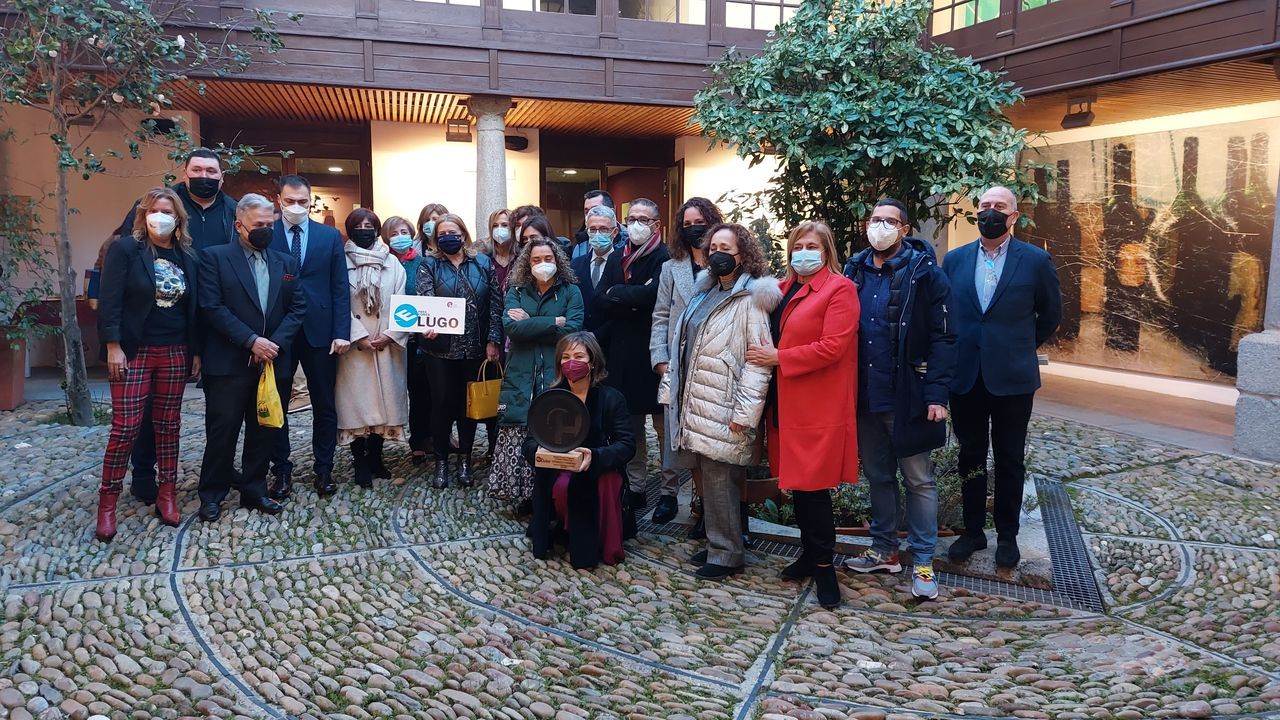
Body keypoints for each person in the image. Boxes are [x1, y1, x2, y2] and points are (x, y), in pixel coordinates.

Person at [841, 199, 956, 601]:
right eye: (875, 219)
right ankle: (884, 549)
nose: (881, 226)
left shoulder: (926, 274)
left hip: (908, 396)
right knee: (878, 476)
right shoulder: (852, 270)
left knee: (919, 480)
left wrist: (937, 393)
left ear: (904, 229)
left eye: (890, 221)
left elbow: (944, 336)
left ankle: (923, 561)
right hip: (866, 396)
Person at [942, 186, 1062, 569]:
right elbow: (947, 314)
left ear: (1013, 215)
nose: (991, 212)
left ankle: (1007, 536)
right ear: (976, 213)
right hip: (967, 376)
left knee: (1010, 458)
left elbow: (1051, 314)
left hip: (1012, 377)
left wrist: (1018, 346)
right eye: (985, 206)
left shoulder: (1036, 260)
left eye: (1000, 207)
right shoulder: (955, 260)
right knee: (970, 455)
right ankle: (973, 530)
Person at [112, 148, 237, 506]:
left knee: (223, 404)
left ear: (221, 176)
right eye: (197, 169)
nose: (205, 176)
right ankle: (145, 474)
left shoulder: (233, 211)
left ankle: (221, 468)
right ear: (185, 174)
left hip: (220, 321)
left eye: (211, 171)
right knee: (151, 408)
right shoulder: (161, 205)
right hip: (163, 325)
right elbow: (126, 253)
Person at [746, 221, 857, 609]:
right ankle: (810, 554)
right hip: (785, 402)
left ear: (827, 251)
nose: (804, 251)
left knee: (815, 488)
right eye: (798, 245)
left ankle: (824, 566)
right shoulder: (780, 288)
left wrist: (779, 358)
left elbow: (833, 346)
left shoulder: (840, 289)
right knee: (797, 485)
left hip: (816, 405)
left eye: (812, 245)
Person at [659, 223, 780, 580]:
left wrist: (745, 414)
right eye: (713, 247)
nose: (718, 253)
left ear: (744, 254)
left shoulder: (750, 300)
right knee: (708, 480)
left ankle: (728, 554)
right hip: (698, 400)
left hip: (725, 405)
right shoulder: (704, 291)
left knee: (721, 481)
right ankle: (716, 544)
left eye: (726, 246)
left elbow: (757, 364)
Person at [95, 187, 203, 541]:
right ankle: (107, 503)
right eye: (155, 209)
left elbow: (194, 308)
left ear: (178, 219)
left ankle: (166, 494)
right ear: (144, 214)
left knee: (168, 425)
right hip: (133, 351)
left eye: (168, 211)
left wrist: (196, 351)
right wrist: (113, 346)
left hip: (174, 350)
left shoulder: (187, 255)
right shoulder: (126, 249)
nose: (162, 216)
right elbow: (109, 300)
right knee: (125, 427)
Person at [196, 194, 305, 522]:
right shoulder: (213, 258)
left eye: (270, 224)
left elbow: (297, 307)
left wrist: (272, 344)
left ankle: (254, 488)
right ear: (239, 225)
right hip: (229, 362)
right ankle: (212, 493)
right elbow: (211, 307)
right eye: (259, 225)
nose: (266, 230)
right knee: (223, 430)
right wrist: (250, 341)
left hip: (272, 362)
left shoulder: (284, 262)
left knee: (264, 430)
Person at [267, 175, 351, 499]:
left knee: (324, 403)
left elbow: (340, 286)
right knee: (277, 403)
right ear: (279, 200)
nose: (297, 207)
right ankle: (281, 471)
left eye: (303, 201)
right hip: (279, 332)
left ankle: (324, 469)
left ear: (311, 200)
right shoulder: (268, 233)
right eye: (290, 201)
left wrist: (341, 332)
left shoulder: (329, 236)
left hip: (321, 330)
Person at [523, 332, 636, 569]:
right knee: (558, 484)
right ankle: (558, 529)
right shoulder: (549, 399)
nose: (571, 363)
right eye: (565, 357)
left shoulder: (611, 399)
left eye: (578, 356)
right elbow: (529, 442)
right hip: (557, 467)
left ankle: (590, 539)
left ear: (592, 361)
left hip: (597, 468)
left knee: (589, 484)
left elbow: (626, 445)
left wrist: (595, 456)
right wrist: (541, 452)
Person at [491, 234, 585, 507]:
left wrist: (531, 322)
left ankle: (553, 497)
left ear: (557, 260)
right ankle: (524, 495)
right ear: (527, 263)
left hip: (555, 372)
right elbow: (512, 329)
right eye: (536, 259)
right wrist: (552, 321)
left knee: (553, 430)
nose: (542, 263)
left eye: (547, 258)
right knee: (519, 427)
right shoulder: (517, 290)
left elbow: (572, 330)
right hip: (521, 372)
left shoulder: (571, 291)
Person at [649, 196, 723, 528]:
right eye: (688, 224)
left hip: (715, 365)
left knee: (711, 440)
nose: (694, 229)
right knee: (678, 436)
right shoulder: (671, 267)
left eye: (700, 222)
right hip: (677, 365)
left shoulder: (726, 262)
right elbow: (660, 316)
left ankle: (710, 507)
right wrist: (660, 360)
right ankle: (681, 496)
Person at [416, 213, 503, 488]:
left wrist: (492, 340)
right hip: (440, 350)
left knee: (470, 405)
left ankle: (465, 458)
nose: (447, 237)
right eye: (442, 234)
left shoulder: (482, 263)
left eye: (452, 232)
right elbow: (425, 299)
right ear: (435, 238)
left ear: (463, 235)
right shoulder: (428, 265)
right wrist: (427, 323)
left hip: (475, 348)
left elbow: (495, 304)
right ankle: (441, 461)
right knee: (441, 404)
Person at [597, 197, 671, 518]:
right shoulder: (618, 256)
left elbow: (653, 297)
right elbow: (602, 296)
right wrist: (629, 296)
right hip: (623, 354)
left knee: (664, 428)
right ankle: (637, 487)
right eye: (632, 218)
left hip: (655, 354)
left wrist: (621, 294)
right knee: (631, 426)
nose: (637, 224)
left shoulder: (665, 258)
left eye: (645, 219)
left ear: (657, 224)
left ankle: (669, 490)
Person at [336, 209, 408, 489]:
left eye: (370, 225)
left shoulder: (393, 263)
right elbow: (338, 300)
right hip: (357, 348)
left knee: (385, 405)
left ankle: (377, 458)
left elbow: (403, 301)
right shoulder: (340, 263)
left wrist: (391, 334)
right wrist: (358, 335)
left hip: (386, 345)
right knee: (358, 405)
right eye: (359, 225)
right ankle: (360, 463)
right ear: (350, 229)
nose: (364, 229)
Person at [384, 215, 431, 464]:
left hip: (418, 340)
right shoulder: (384, 262)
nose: (399, 237)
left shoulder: (423, 263)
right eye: (393, 233)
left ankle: (422, 439)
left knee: (421, 391)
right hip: (387, 339)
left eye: (404, 231)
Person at [571, 205, 622, 341]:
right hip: (580, 342)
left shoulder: (624, 264)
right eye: (592, 229)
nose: (597, 234)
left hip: (614, 341)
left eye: (604, 229)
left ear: (615, 232)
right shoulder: (575, 265)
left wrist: (598, 335)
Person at [571, 190, 628, 261]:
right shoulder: (581, 244)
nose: (590, 214)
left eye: (596, 210)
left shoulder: (629, 242)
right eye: (586, 212)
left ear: (612, 212)